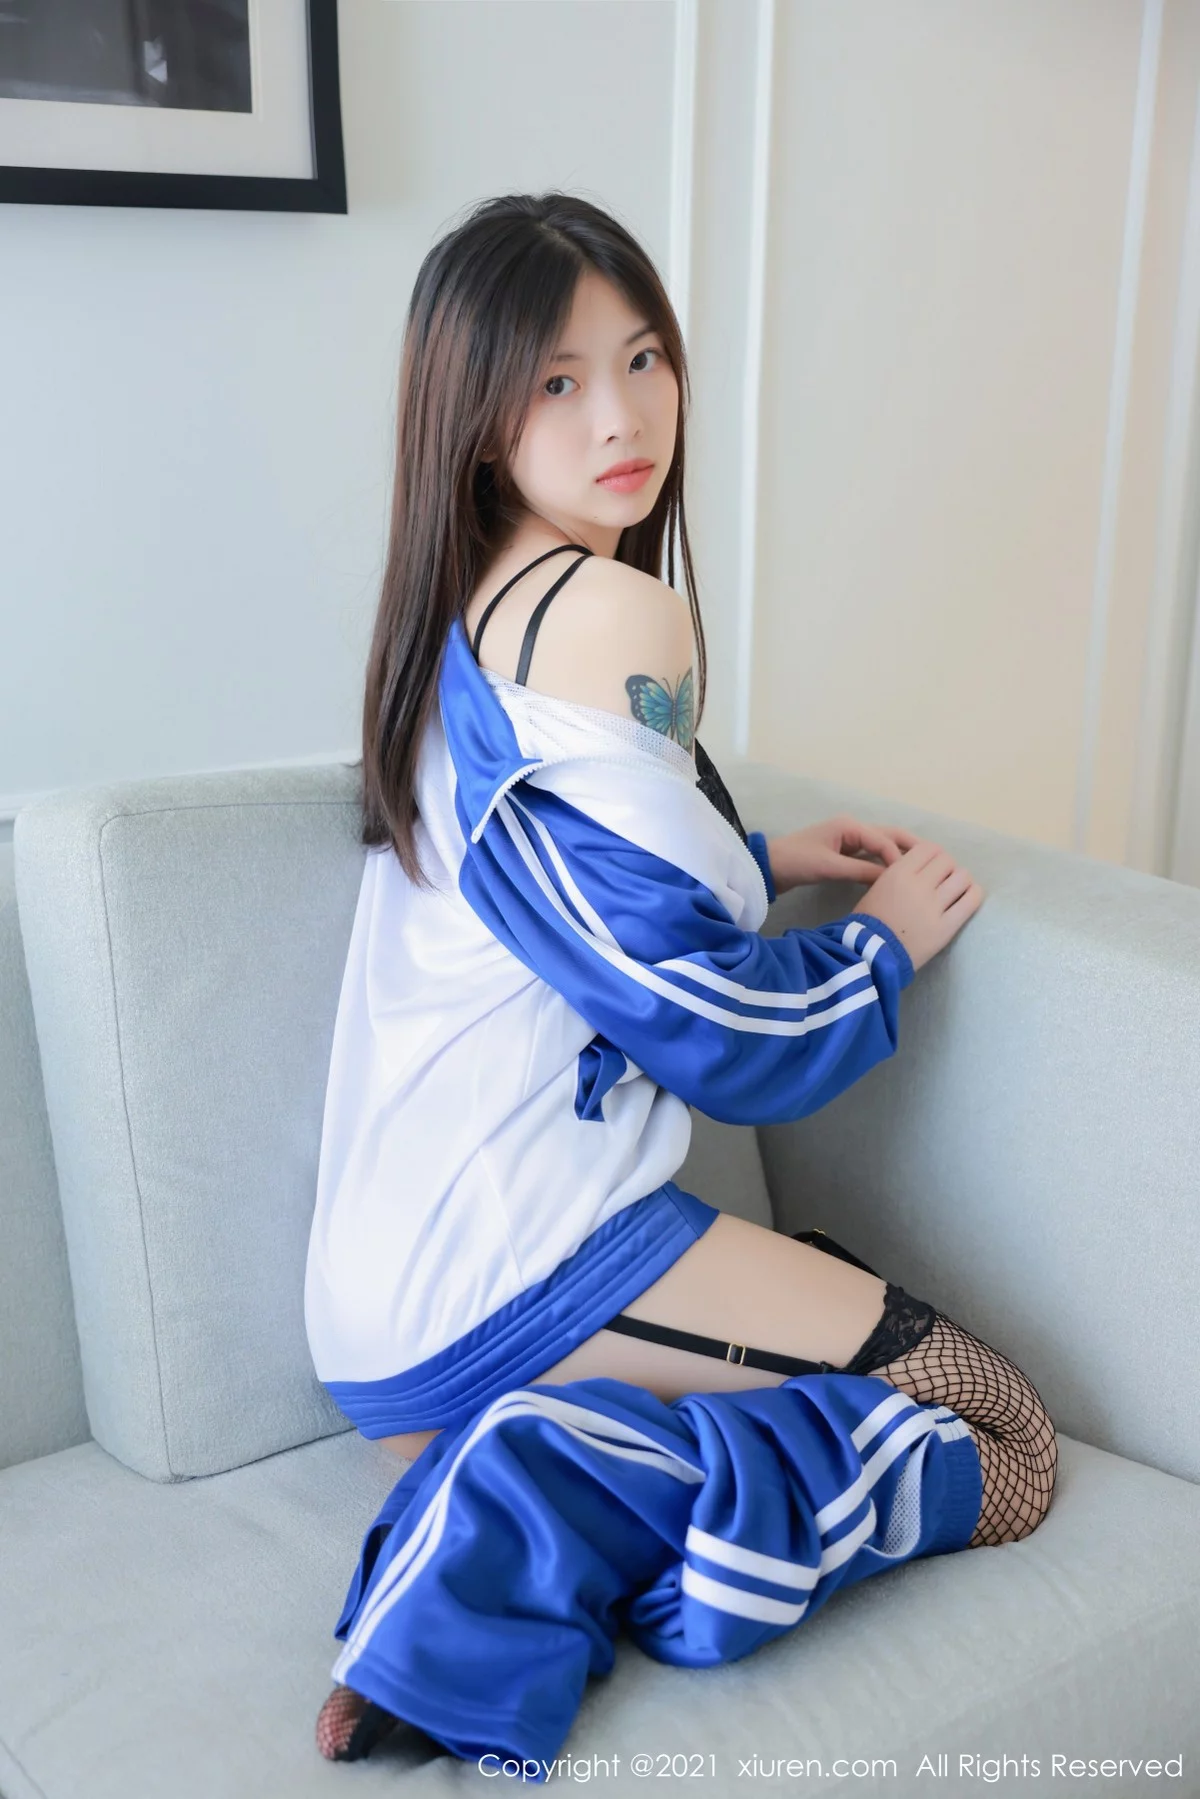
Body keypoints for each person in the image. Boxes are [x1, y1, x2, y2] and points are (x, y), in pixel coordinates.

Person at [305, 191, 1058, 1770]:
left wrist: (760, 857)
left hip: (398, 1290)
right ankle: (521, 1496)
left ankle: (523, 1475)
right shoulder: (617, 610)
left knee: (859, 1336)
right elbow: (712, 1029)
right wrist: (876, 947)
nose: (624, 417)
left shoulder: (469, 607)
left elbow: (561, 901)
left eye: (643, 358)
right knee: (1004, 1435)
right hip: (518, 1264)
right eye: (559, 380)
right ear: (476, 412)